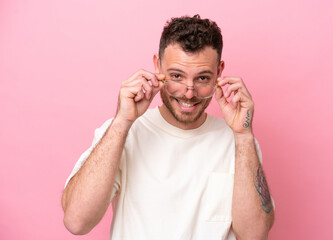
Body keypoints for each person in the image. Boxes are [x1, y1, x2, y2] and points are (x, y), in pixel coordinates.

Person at [62, 14, 274, 240]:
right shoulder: (124, 133)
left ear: (219, 72)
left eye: (202, 78)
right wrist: (122, 122)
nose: (189, 92)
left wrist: (243, 136)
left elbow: (255, 235)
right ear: (157, 65)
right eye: (176, 76)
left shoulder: (239, 142)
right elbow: (76, 221)